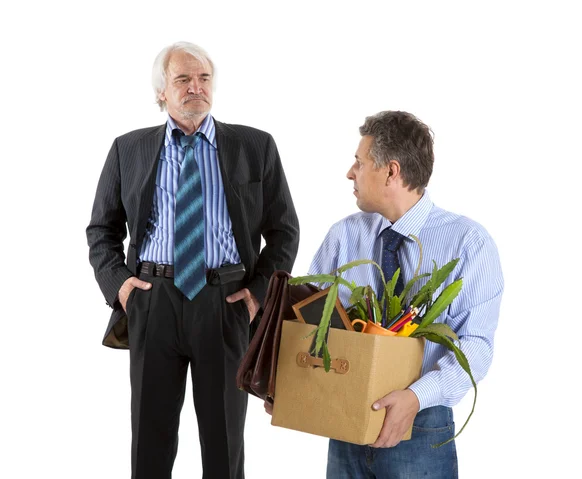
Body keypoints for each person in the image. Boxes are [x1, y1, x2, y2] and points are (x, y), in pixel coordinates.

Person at [87, 41, 299, 479]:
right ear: (161, 92)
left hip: (225, 302)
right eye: (182, 79)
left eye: (203, 78)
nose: (195, 87)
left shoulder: (254, 146)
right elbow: (101, 231)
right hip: (152, 300)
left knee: (224, 444)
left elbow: (283, 232)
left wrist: (257, 296)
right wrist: (122, 287)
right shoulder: (129, 149)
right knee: (150, 440)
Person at [266, 111, 503, 478]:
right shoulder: (344, 236)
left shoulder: (467, 243)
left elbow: (476, 346)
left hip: (420, 425)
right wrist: (286, 381)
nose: (350, 173)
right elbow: (312, 320)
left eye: (359, 163)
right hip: (345, 418)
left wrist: (416, 396)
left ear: (391, 171)